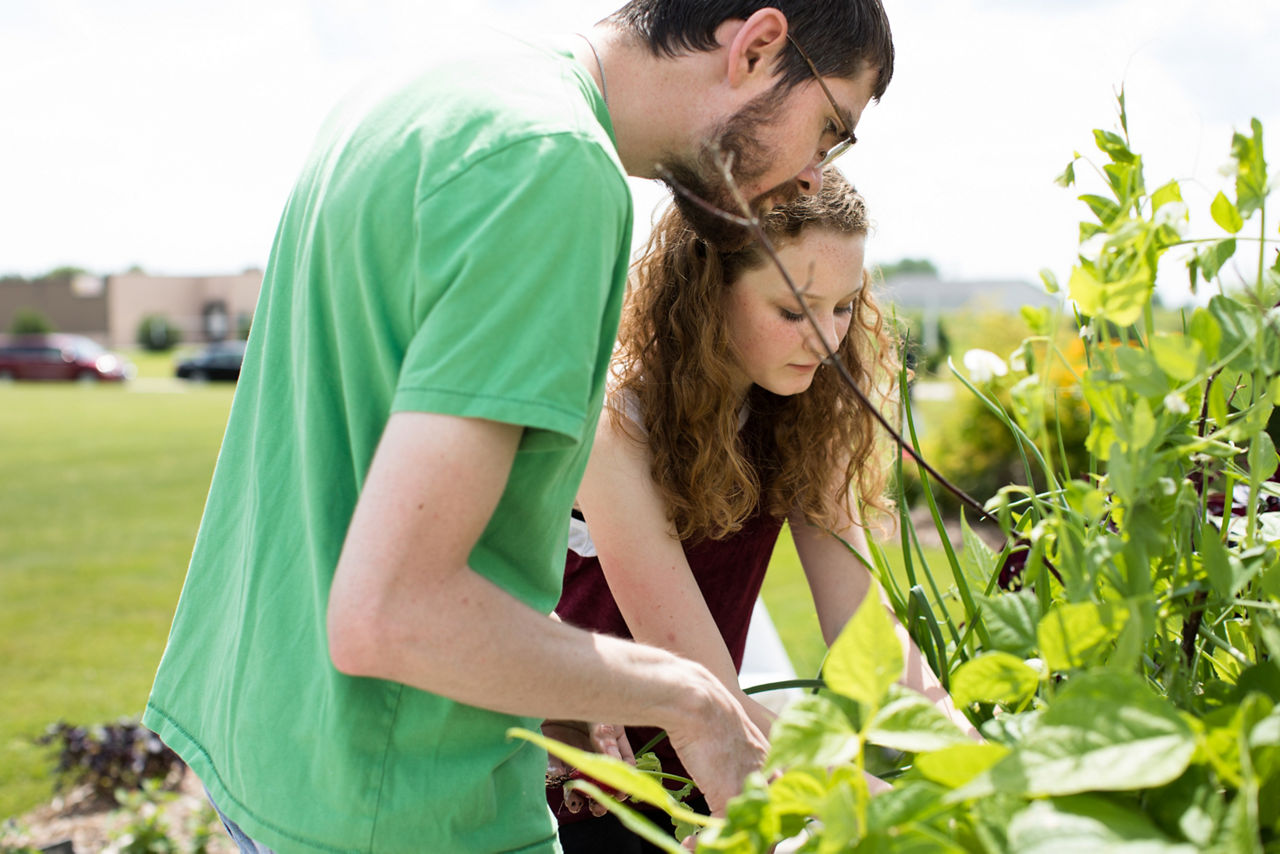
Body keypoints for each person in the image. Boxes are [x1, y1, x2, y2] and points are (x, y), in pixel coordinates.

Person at [142, 2, 894, 852]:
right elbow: (395, 608)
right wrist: (689, 696)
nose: (809, 178)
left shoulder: (428, 90)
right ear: (758, 46)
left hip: (273, 748)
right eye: (828, 128)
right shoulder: (554, 167)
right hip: (406, 803)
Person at [544, 171, 976, 852]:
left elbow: (864, 623)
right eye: (795, 310)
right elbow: (699, 686)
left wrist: (975, 763)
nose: (829, 339)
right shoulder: (616, 423)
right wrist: (896, 811)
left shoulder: (805, 410)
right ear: (709, 289)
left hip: (712, 765)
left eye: (844, 307)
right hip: (580, 777)